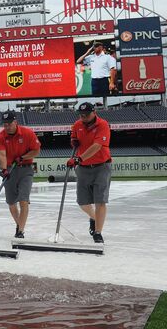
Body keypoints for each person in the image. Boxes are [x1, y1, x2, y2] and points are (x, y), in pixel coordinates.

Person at [68, 102, 112, 243]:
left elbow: (97, 146)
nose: (84, 117)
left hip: (101, 166)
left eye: (86, 115)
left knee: (100, 200)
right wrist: (74, 141)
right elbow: (74, 138)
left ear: (94, 112)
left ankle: (98, 232)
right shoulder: (77, 125)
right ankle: (94, 217)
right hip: (83, 168)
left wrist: (78, 158)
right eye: (81, 115)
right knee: (82, 202)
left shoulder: (103, 124)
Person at [0, 111, 41, 238]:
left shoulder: (27, 133)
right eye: (5, 124)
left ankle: (20, 231)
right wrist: (4, 170)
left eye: (9, 124)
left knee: (23, 200)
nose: (7, 126)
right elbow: (1, 154)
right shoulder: (0, 137)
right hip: (10, 169)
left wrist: (23, 157)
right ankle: (19, 224)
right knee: (11, 202)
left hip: (26, 169)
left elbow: (36, 151)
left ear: (15, 122)